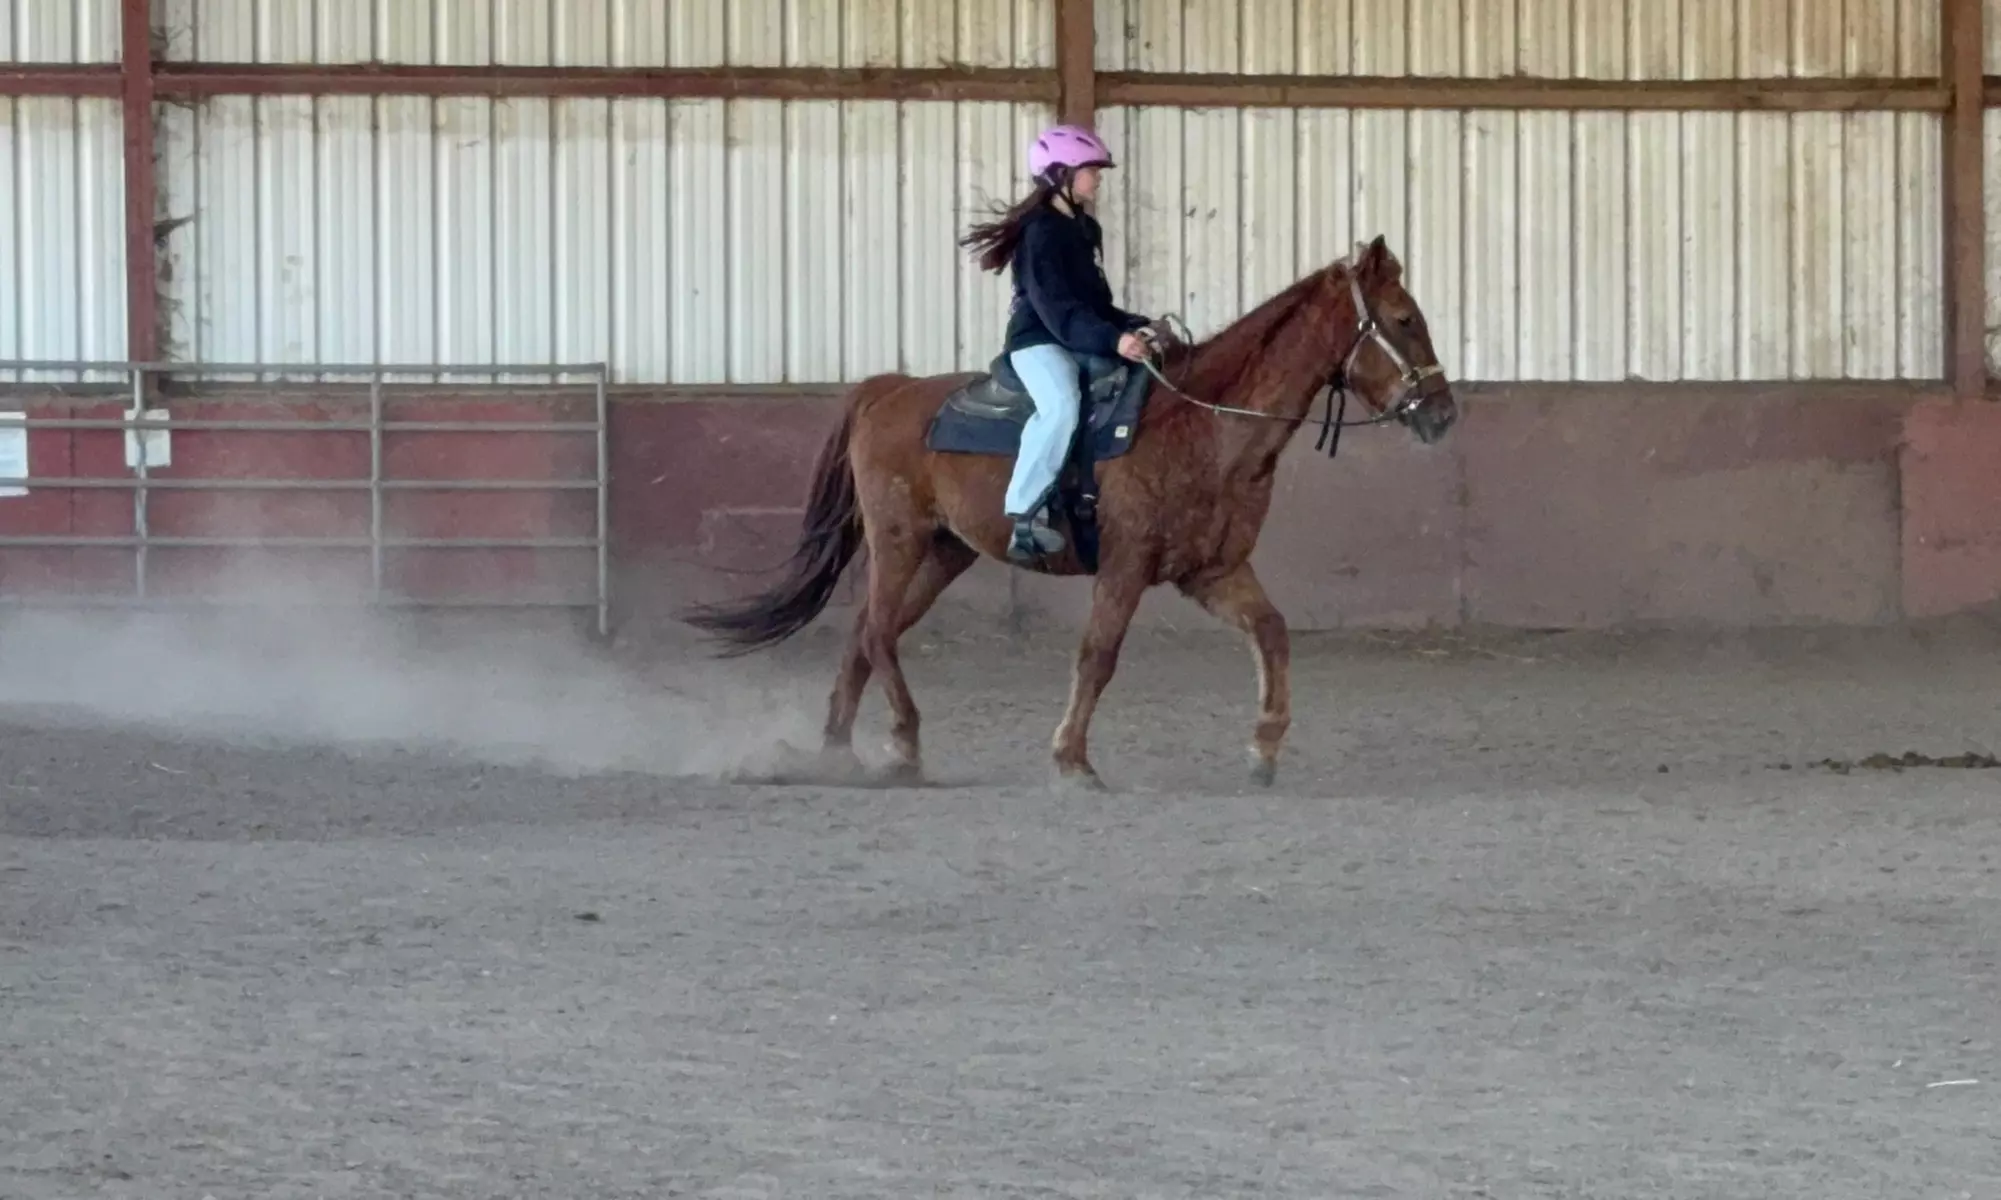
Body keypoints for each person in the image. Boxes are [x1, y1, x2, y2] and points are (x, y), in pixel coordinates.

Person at [960, 124, 1154, 563]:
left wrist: (1133, 325)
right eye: (1091, 170)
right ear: (1061, 174)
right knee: (1062, 403)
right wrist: (1112, 338)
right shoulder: (1040, 233)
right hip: (1039, 341)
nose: (1098, 178)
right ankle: (1025, 516)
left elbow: (1095, 302)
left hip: (1077, 333)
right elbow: (1057, 309)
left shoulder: (1087, 229)